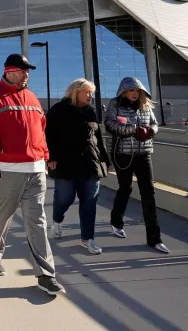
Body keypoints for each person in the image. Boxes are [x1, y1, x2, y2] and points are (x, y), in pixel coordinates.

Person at [0, 54, 65, 296]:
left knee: (37, 222)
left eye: (28, 71)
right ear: (10, 71)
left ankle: (46, 274)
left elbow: (40, 131)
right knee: (1, 216)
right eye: (23, 70)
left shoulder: (32, 98)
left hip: (36, 171)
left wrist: (46, 157)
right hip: (7, 170)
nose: (27, 75)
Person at [105, 77, 169, 254]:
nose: (134, 93)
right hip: (122, 154)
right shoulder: (115, 104)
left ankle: (154, 239)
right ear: (124, 91)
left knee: (148, 192)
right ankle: (116, 222)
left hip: (143, 154)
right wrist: (132, 131)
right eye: (131, 90)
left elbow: (155, 123)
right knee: (125, 188)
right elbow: (109, 124)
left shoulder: (146, 106)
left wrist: (150, 131)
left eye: (137, 90)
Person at [45, 79, 109, 255]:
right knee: (64, 199)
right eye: (87, 92)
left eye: (91, 93)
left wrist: (104, 159)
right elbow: (48, 135)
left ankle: (88, 239)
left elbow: (97, 138)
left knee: (90, 202)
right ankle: (57, 220)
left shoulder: (91, 112)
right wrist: (50, 157)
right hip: (66, 163)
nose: (90, 96)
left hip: (90, 164)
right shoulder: (58, 110)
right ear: (76, 92)